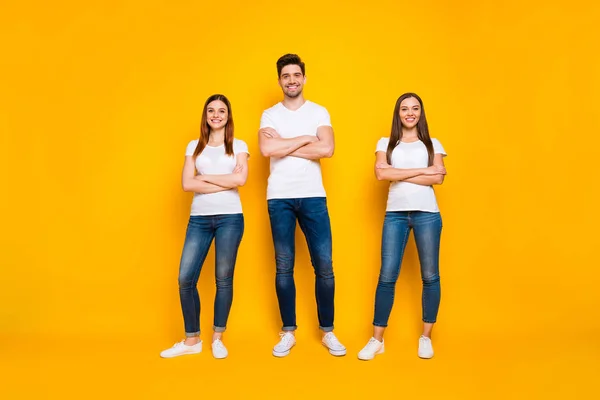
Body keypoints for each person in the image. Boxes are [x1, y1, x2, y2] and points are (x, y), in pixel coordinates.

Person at [258, 54, 346, 357]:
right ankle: (288, 332)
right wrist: (307, 139)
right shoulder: (269, 115)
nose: (292, 80)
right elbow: (267, 148)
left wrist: (287, 143)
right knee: (284, 266)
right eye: (286, 76)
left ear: (304, 78)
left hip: (313, 195)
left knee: (324, 265)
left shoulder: (319, 112)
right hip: (279, 196)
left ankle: (328, 331)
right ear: (279, 80)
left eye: (297, 75)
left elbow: (328, 148)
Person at [358, 92, 447, 360]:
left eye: (415, 108)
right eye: (404, 109)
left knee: (430, 276)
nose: (410, 113)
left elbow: (439, 178)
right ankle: (377, 340)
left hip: (427, 215)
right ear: (398, 114)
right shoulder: (386, 143)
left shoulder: (433, 143)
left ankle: (426, 337)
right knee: (387, 276)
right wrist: (423, 172)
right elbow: (381, 173)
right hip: (395, 215)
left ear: (421, 112)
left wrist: (400, 175)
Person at [160, 94, 249, 359]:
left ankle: (218, 338)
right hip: (199, 218)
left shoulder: (238, 145)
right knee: (185, 279)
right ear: (206, 115)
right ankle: (192, 340)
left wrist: (206, 177)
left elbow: (240, 179)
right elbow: (187, 184)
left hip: (230, 218)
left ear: (228, 115)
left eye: (221, 111)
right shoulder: (194, 147)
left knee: (223, 279)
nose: (216, 115)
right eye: (211, 110)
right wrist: (225, 180)